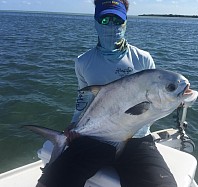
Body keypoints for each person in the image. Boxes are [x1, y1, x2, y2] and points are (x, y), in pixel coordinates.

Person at [36, 0, 177, 187]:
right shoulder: (84, 62)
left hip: (137, 140)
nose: (112, 26)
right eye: (105, 20)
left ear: (125, 22)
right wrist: (73, 126)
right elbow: (84, 101)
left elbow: (152, 107)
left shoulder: (143, 59)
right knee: (52, 182)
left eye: (117, 20)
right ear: (95, 21)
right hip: (97, 137)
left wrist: (175, 100)